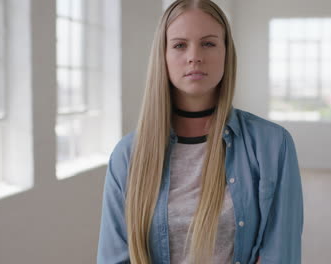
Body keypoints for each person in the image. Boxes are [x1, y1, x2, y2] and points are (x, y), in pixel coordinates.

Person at [97, 0, 304, 263]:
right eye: (180, 45)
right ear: (163, 55)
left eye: (208, 43)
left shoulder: (273, 145)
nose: (194, 56)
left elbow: (280, 255)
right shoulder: (127, 155)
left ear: (227, 53)